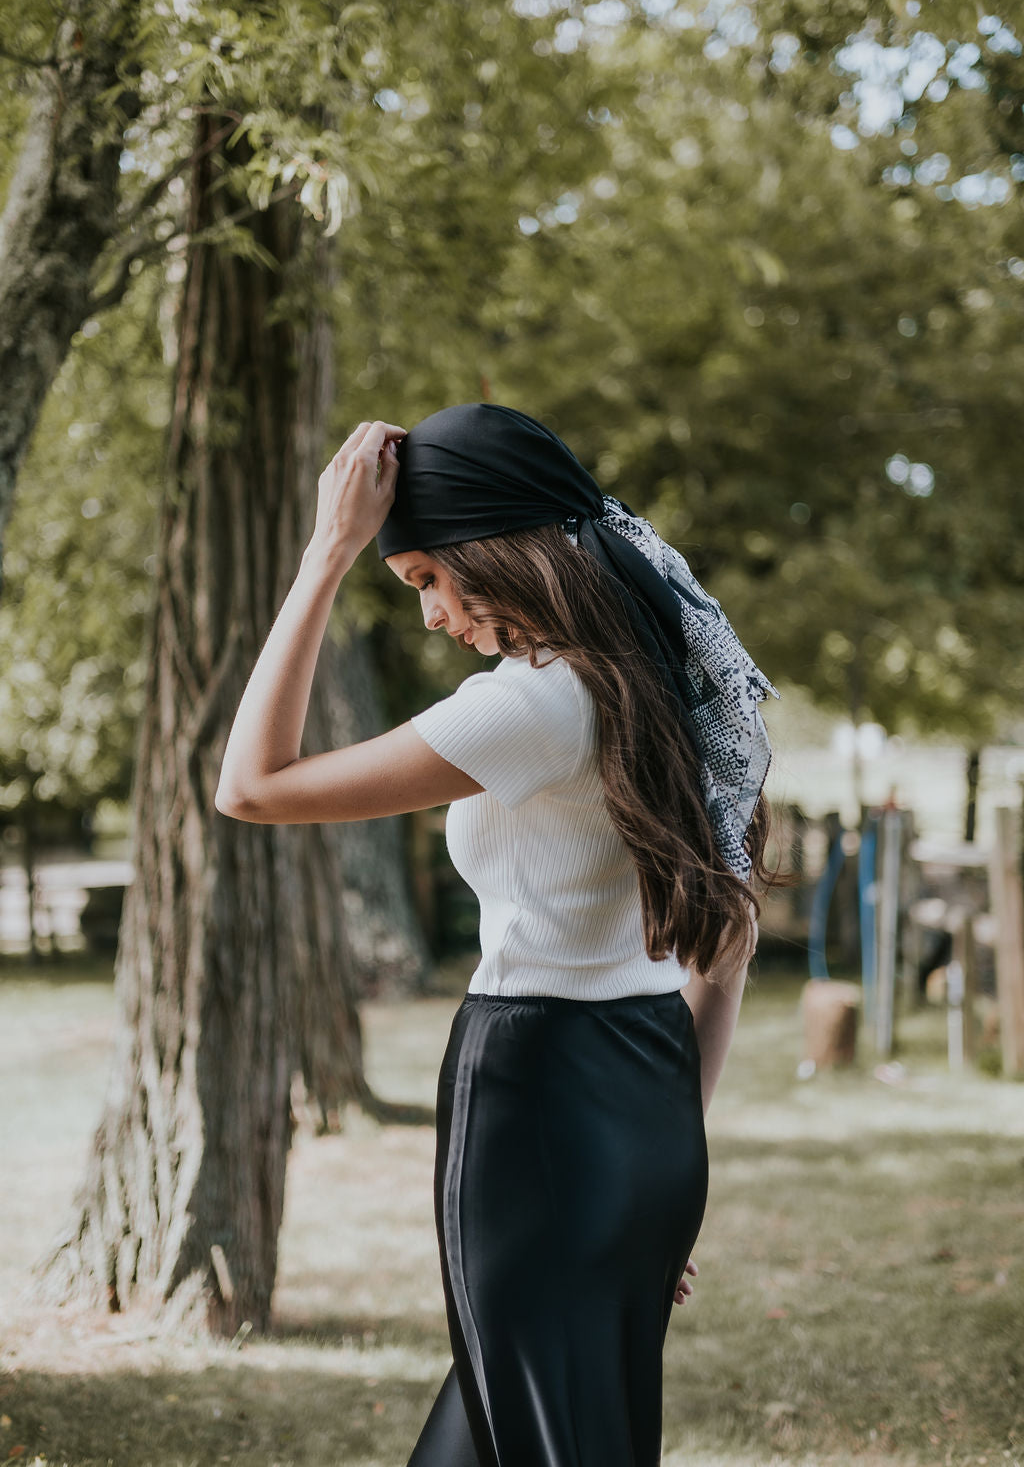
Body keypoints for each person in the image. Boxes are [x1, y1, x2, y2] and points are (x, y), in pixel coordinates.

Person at [216, 404, 779, 1467]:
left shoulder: (531, 706)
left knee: (534, 1430)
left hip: (534, 1097)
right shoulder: (675, 682)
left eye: (428, 577)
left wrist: (326, 554)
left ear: (494, 547)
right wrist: (671, 1158)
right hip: (649, 1099)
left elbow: (250, 784)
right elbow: (729, 939)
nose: (430, 613)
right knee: (518, 1427)